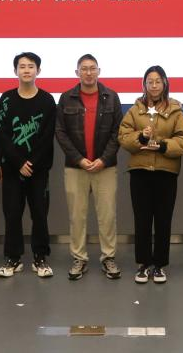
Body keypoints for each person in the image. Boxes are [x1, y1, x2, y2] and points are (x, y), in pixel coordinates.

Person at [118, 65, 183, 284]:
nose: (154, 85)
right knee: (142, 220)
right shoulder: (135, 110)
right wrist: (141, 137)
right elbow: (123, 137)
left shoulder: (175, 110)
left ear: (165, 83)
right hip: (140, 172)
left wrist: (163, 146)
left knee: (163, 220)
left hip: (165, 173)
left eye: (158, 81)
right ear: (144, 84)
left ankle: (159, 265)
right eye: (150, 81)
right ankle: (143, 264)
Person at [55, 53, 123, 281]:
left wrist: (103, 159)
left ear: (99, 71)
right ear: (77, 73)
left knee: (107, 216)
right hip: (76, 168)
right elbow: (60, 133)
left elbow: (118, 132)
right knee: (77, 216)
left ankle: (108, 257)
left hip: (105, 167)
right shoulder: (66, 98)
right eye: (84, 68)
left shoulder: (111, 97)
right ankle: (79, 258)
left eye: (93, 68)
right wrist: (79, 159)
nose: (88, 72)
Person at [0, 51, 57, 279]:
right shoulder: (6, 99)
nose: (26, 70)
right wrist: (19, 162)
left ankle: (40, 257)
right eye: (22, 66)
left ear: (38, 70)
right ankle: (13, 258)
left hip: (39, 170)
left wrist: (31, 162)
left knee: (39, 214)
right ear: (15, 71)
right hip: (12, 169)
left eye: (31, 66)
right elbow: (1, 133)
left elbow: (47, 136)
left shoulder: (47, 100)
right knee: (12, 214)